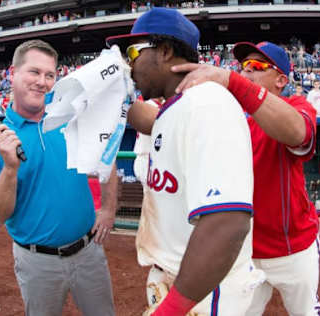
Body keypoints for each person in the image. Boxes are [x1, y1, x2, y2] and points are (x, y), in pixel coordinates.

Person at [107, 8, 264, 315]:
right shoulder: (174, 108)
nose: (130, 63)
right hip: (180, 278)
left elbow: (228, 223)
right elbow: (139, 115)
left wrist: (173, 308)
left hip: (207, 291)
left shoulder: (207, 104)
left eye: (134, 51)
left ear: (165, 51)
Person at [171, 41, 320, 315]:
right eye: (243, 67)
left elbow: (298, 132)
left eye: (256, 67)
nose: (246, 73)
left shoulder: (296, 105)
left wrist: (231, 80)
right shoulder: (234, 118)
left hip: (294, 248)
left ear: (281, 79)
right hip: (245, 252)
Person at [0, 40, 117, 316]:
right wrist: (10, 169)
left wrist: (109, 208)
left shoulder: (71, 115)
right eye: (34, 72)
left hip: (89, 252)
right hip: (36, 261)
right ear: (12, 73)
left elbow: (107, 156)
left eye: (49, 75)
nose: (42, 82)